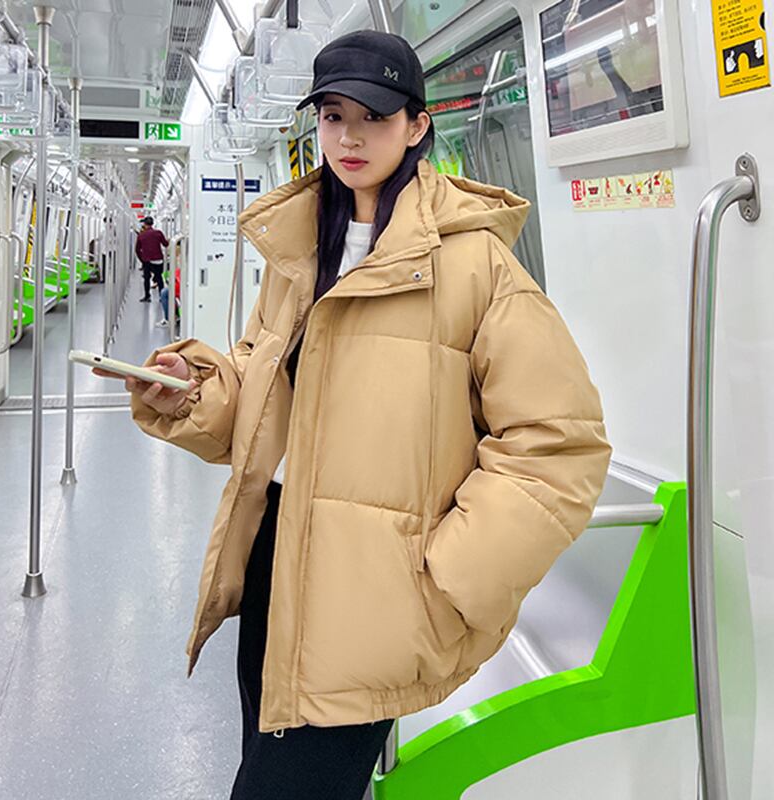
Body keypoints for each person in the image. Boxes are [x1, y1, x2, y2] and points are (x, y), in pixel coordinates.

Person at [95, 30, 611, 799]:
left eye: (374, 116)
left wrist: (443, 577)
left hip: (373, 596)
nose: (350, 137)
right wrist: (195, 390)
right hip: (275, 559)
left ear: (417, 125)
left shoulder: (475, 265)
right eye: (333, 116)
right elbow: (264, 388)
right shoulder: (301, 254)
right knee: (265, 761)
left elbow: (558, 444)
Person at [135, 216, 168, 302]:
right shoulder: (158, 233)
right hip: (158, 259)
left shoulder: (141, 235)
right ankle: (161, 296)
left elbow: (137, 250)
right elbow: (165, 244)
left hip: (147, 260)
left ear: (144, 224)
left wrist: (142, 259)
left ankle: (147, 296)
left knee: (146, 278)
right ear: (152, 224)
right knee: (159, 278)